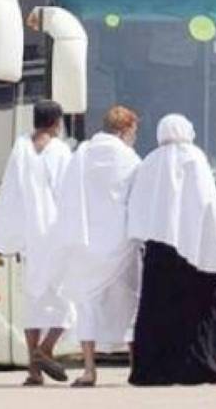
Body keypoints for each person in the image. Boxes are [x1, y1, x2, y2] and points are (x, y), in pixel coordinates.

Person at [126, 113, 216, 386]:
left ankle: (154, 371)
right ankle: (209, 367)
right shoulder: (194, 157)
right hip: (196, 245)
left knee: (159, 309)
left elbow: (139, 204)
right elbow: (208, 203)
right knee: (209, 303)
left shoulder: (150, 161)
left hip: (159, 247)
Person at [54, 105, 142, 387]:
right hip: (121, 243)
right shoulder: (129, 158)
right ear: (125, 130)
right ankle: (136, 368)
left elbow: (66, 193)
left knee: (87, 305)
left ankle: (89, 369)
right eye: (134, 132)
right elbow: (138, 197)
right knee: (130, 305)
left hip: (86, 243)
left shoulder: (82, 153)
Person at [0, 99, 74, 386]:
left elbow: (10, 193)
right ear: (56, 122)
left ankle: (34, 370)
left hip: (29, 239)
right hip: (55, 235)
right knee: (67, 299)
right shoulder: (61, 151)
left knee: (33, 303)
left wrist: (9, 236)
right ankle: (44, 350)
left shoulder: (20, 148)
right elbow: (68, 194)